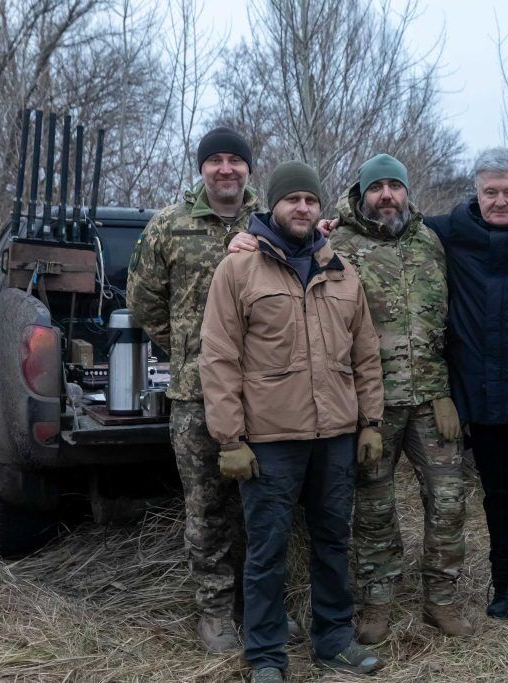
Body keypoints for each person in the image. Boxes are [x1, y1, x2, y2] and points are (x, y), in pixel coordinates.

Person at [229, 147, 508, 629]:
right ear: (475, 192)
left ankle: (489, 594)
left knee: (494, 497)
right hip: (419, 398)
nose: (500, 201)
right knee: (420, 502)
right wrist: (256, 238)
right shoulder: (389, 238)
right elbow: (300, 243)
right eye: (490, 192)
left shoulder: (497, 234)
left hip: (489, 394)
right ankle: (422, 596)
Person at [199, 161, 385, 682]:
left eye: (310, 200)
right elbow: (218, 357)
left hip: (335, 438)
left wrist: (370, 422)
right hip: (271, 441)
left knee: (332, 542)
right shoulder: (238, 270)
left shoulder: (341, 272)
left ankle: (334, 642)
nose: (302, 208)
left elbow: (365, 354)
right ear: (272, 206)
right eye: (292, 200)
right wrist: (229, 438)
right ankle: (265, 656)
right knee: (267, 550)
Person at [127, 127, 300, 652]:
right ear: (202, 169)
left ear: (249, 168)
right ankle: (216, 615)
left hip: (265, 395)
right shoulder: (170, 226)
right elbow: (143, 302)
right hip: (196, 396)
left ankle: (262, 610)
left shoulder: (271, 224)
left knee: (265, 510)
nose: (226, 169)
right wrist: (189, 347)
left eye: (235, 161)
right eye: (215, 161)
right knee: (208, 510)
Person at [326, 154, 471, 642]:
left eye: (395, 186)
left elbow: (450, 323)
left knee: (449, 503)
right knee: (373, 509)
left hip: (433, 402)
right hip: (371, 405)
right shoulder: (336, 246)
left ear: (408, 192)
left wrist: (447, 389)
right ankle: (377, 602)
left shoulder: (431, 242)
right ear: (361, 193)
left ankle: (442, 599)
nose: (386, 195)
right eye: (376, 187)